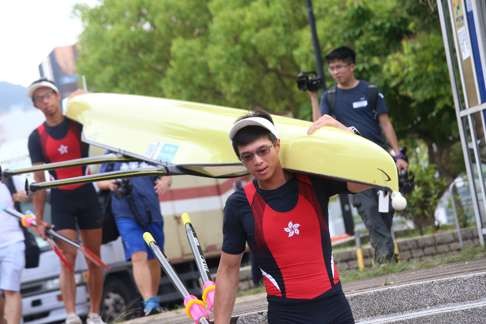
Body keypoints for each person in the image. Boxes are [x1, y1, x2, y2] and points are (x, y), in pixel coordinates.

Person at [214, 110, 370, 324]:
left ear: (277, 145)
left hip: (335, 310)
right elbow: (228, 269)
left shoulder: (313, 181)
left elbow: (370, 178)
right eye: (248, 156)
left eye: (263, 150)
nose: (257, 161)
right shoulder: (240, 204)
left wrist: (347, 134)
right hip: (286, 316)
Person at [308, 46, 408, 264]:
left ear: (352, 66)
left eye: (340, 66)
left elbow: (385, 123)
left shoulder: (371, 91)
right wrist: (314, 98)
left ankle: (383, 256)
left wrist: (398, 155)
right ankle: (385, 260)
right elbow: (318, 125)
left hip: (380, 159)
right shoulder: (330, 97)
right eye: (332, 68)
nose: (335, 72)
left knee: (384, 210)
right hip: (352, 164)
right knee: (369, 209)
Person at [27, 78, 105, 324]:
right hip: (61, 197)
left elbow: (97, 116)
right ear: (36, 105)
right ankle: (71, 315)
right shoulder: (36, 137)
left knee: (94, 258)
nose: (45, 101)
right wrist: (39, 219)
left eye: (48, 95)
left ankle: (94, 313)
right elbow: (38, 180)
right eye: (39, 99)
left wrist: (83, 99)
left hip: (86, 194)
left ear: (57, 95)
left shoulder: (77, 124)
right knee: (67, 257)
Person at [98, 161, 171, 316]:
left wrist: (165, 182)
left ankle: (153, 299)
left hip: (151, 210)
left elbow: (166, 172)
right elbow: (99, 181)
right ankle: (149, 301)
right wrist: (111, 184)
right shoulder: (111, 153)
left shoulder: (145, 149)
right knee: (138, 255)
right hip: (124, 213)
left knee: (154, 257)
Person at [0, 180, 25, 324]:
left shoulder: (9, 179)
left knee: (11, 290)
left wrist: (22, 195)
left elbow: (29, 193)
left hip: (12, 242)